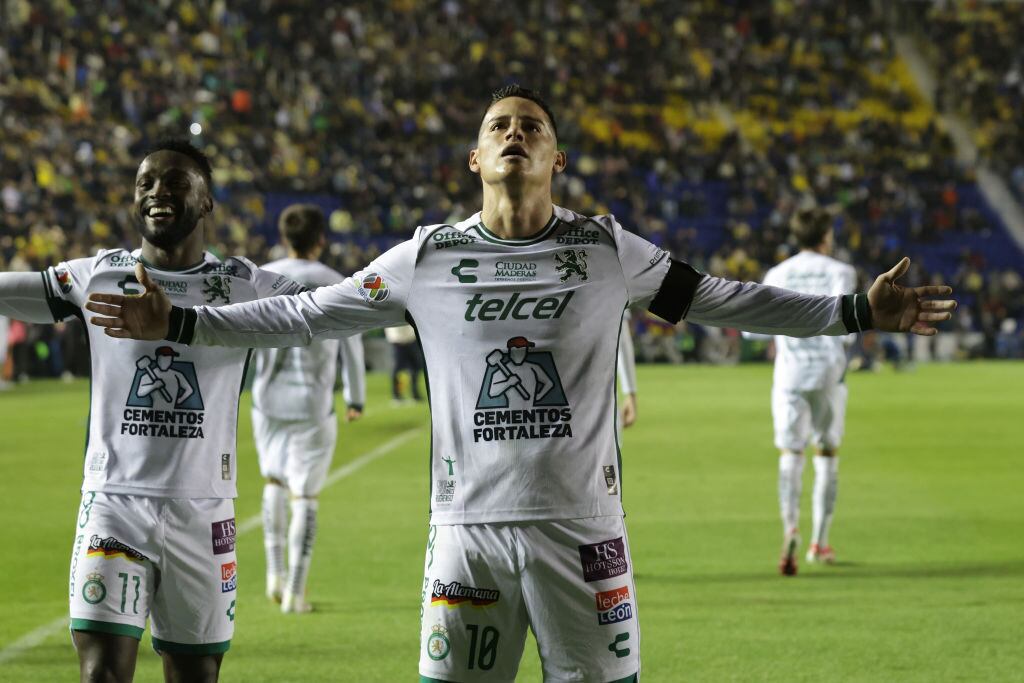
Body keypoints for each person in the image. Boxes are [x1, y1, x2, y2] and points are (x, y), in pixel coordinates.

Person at [86, 85, 956, 682]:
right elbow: (307, 313)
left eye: (531, 126)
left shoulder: (606, 248)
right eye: (499, 125)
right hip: (466, 535)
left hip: (585, 533)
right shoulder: (428, 257)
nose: (514, 134)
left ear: (557, 156)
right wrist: (184, 323)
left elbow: (727, 299)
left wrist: (854, 312)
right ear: (474, 157)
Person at [0, 139, 306, 683]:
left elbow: (323, 309)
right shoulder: (99, 274)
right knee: (101, 673)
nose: (157, 192)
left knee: (195, 675)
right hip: (114, 503)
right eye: (146, 183)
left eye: (175, 183)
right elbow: (15, 291)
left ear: (206, 201)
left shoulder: (244, 284)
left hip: (204, 509)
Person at [250, 203, 366, 614]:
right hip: (312, 404)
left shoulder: (261, 277)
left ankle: (274, 574)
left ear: (284, 237)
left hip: (266, 399)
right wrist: (355, 397)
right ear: (321, 239)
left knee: (273, 482)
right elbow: (352, 342)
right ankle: (295, 593)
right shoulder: (336, 282)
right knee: (305, 495)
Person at [745, 208, 857, 576]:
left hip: (789, 375)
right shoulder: (840, 271)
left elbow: (751, 329)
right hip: (828, 374)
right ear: (826, 236)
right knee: (826, 455)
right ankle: (819, 542)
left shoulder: (778, 274)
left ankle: (790, 528)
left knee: (791, 454)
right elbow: (848, 327)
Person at [384, 323, 424, 403]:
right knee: (397, 369)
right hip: (398, 341)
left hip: (411, 340)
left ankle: (415, 393)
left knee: (415, 367)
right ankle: (396, 395)